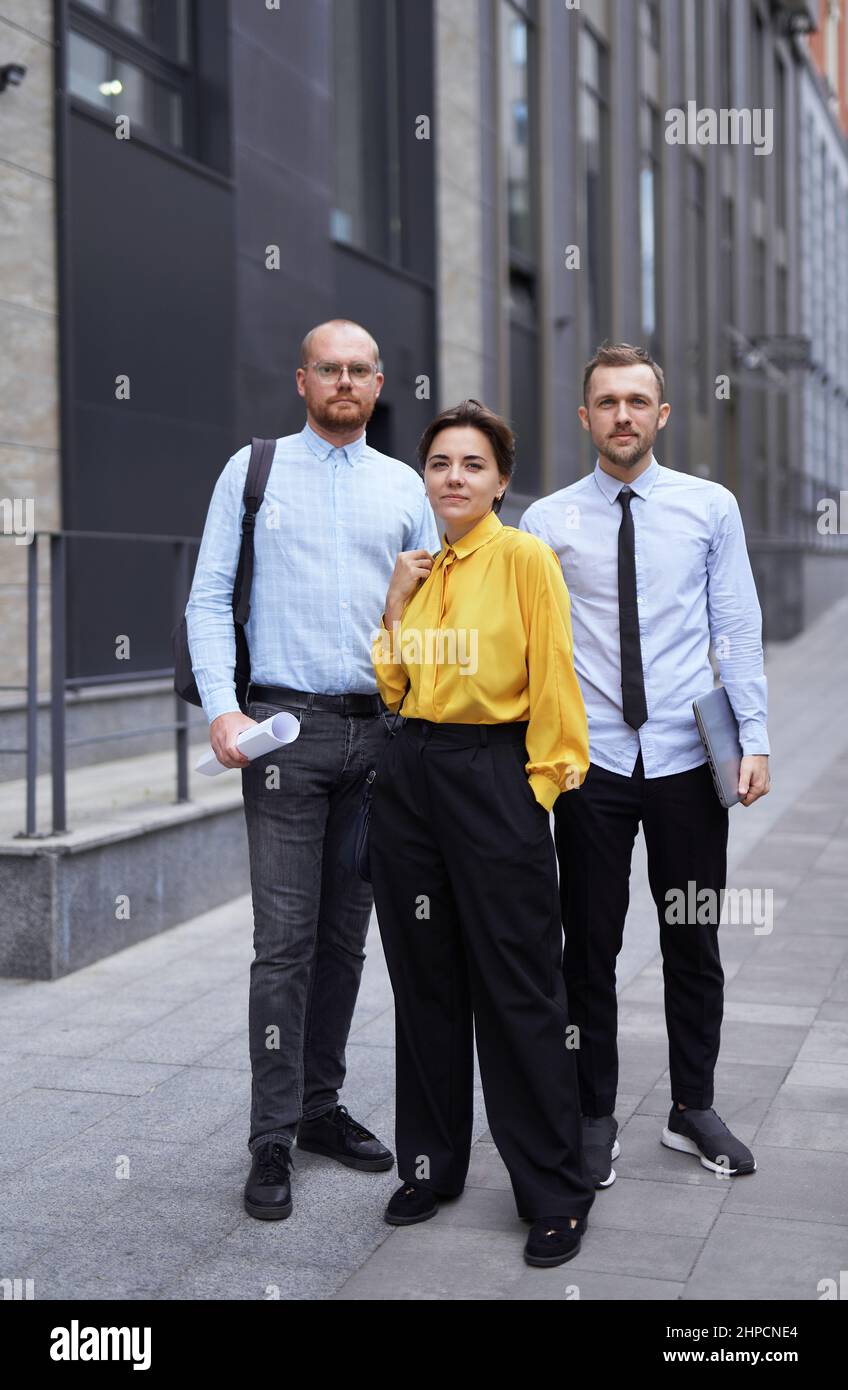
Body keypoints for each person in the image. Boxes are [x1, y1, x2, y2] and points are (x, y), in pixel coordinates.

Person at [185, 319, 440, 1220]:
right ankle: (270, 1135)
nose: (343, 382)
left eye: (359, 371)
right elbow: (211, 594)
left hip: (379, 739)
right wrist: (223, 706)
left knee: (344, 938)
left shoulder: (406, 487)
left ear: (379, 385)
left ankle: (320, 1109)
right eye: (327, 369)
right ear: (302, 380)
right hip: (283, 732)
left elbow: (435, 611)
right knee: (282, 944)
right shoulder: (252, 470)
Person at [520, 342, 771, 1189]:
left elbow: (733, 626)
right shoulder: (546, 523)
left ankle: (690, 1106)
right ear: (584, 416)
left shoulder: (710, 508)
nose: (622, 415)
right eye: (606, 401)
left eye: (637, 401)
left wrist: (757, 737)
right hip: (589, 766)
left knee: (692, 938)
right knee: (587, 947)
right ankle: (594, 1115)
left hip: (687, 762)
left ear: (662, 416)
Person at [369, 398, 596, 1267]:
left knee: (518, 988)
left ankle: (553, 1192)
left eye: (472, 465)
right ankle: (431, 1166)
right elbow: (392, 689)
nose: (454, 478)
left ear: (501, 480)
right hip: (409, 779)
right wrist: (395, 602)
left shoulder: (525, 558)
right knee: (424, 980)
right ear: (423, 477)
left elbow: (556, 682)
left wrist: (537, 790)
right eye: (439, 464)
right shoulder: (419, 570)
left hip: (493, 777)